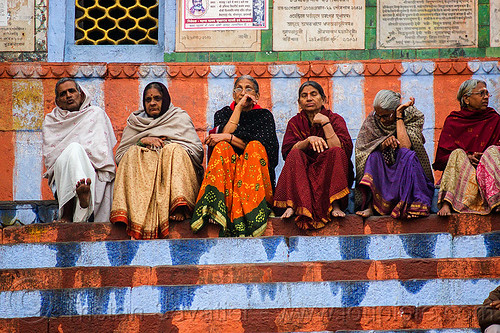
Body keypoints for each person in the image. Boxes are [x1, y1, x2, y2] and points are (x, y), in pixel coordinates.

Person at [110, 82, 203, 239]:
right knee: (132, 152)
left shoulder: (179, 117)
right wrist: (143, 141)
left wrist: (165, 146)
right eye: (148, 99)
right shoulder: (135, 123)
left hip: (172, 169)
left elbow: (196, 152)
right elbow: (120, 156)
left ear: (165, 99)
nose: (152, 103)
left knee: (173, 150)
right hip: (143, 176)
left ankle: (179, 207)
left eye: (157, 98)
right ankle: (134, 213)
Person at [191, 75, 279, 237]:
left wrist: (229, 138)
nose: (243, 92)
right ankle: (215, 208)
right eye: (239, 88)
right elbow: (224, 134)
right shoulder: (223, 114)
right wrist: (238, 108)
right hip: (229, 171)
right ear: (233, 94)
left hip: (254, 174)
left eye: (248, 88)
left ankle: (254, 210)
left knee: (254, 147)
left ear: (257, 96)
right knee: (222, 147)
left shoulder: (264, 116)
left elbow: (268, 152)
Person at [273, 81, 353, 229]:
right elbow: (287, 152)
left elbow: (344, 150)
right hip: (304, 175)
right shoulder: (295, 122)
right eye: (304, 96)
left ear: (324, 100)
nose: (309, 98)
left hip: (329, 174)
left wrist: (325, 123)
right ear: (299, 103)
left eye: (313, 94)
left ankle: (335, 205)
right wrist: (308, 141)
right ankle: (292, 205)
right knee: (295, 153)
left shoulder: (335, 119)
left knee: (335, 152)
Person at [42, 78, 117, 223]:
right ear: (58, 101)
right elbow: (52, 160)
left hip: (93, 172)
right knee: (73, 151)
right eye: (63, 94)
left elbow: (103, 155)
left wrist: (81, 156)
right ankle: (72, 208)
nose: (68, 95)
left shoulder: (95, 114)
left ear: (81, 94)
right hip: (63, 174)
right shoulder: (51, 121)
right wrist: (73, 155)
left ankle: (80, 201)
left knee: (76, 152)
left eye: (72, 91)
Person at [355, 90, 434, 219]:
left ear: (395, 109)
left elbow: (405, 145)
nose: (381, 119)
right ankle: (370, 206)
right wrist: (382, 144)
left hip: (404, 168)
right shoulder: (373, 119)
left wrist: (398, 117)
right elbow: (363, 148)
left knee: (407, 155)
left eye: (385, 116)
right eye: (378, 115)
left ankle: (408, 204)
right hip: (384, 171)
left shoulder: (412, 115)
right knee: (372, 156)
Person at [433, 79, 500, 216]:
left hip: (488, 174)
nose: (486, 97)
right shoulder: (454, 120)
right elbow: (441, 159)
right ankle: (447, 203)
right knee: (457, 153)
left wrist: (485, 156)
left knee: (493, 151)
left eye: (487, 93)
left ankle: (496, 201)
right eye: (481, 93)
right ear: (467, 98)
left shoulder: (494, 119)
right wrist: (467, 157)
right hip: (464, 176)